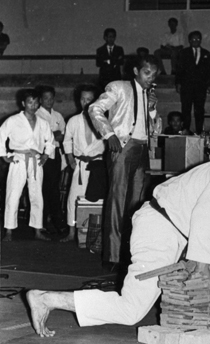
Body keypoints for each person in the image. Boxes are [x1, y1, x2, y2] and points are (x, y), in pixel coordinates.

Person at [26, 157, 210, 337]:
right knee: (132, 309)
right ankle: (46, 299)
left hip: (171, 231)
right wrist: (203, 268)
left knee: (140, 304)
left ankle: (47, 299)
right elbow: (205, 216)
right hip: (158, 227)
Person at [88, 55, 159, 268]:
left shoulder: (150, 95)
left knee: (136, 204)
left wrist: (153, 111)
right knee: (117, 201)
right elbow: (95, 109)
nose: (151, 78)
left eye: (154, 75)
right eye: (147, 73)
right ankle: (111, 255)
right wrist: (109, 135)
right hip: (123, 148)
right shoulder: (118, 87)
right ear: (136, 71)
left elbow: (155, 129)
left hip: (142, 149)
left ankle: (130, 254)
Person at [0, 89, 55, 241]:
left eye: (35, 102)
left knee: (37, 196)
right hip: (19, 159)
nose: (33, 106)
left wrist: (46, 154)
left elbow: (50, 140)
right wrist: (5, 157)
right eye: (29, 102)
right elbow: (0, 138)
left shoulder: (42, 122)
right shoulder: (13, 120)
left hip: (36, 160)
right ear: (23, 103)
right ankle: (8, 230)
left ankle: (38, 230)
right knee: (13, 194)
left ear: (39, 103)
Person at [61, 85, 105, 243]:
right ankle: (72, 231)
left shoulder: (103, 120)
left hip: (98, 164)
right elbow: (66, 141)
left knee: (98, 198)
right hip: (80, 164)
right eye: (83, 99)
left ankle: (97, 233)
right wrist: (70, 158)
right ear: (78, 100)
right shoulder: (73, 120)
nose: (86, 103)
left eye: (89, 99)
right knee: (73, 197)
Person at [35, 85, 67, 234]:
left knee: (53, 189)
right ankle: (45, 222)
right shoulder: (36, 115)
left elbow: (64, 135)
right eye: (45, 98)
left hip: (56, 156)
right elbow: (43, 137)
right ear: (40, 100)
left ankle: (53, 221)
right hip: (42, 156)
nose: (49, 101)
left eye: (51, 98)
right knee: (44, 190)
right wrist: (55, 134)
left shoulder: (58, 116)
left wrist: (54, 135)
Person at [175, 31, 210, 135]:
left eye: (197, 39)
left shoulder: (206, 53)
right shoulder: (183, 52)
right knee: (186, 109)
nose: (195, 41)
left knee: (199, 109)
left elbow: (208, 70)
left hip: (200, 86)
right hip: (187, 86)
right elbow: (179, 70)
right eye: (193, 39)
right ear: (189, 40)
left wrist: (209, 84)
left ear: (200, 40)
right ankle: (186, 129)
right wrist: (178, 83)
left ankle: (200, 131)